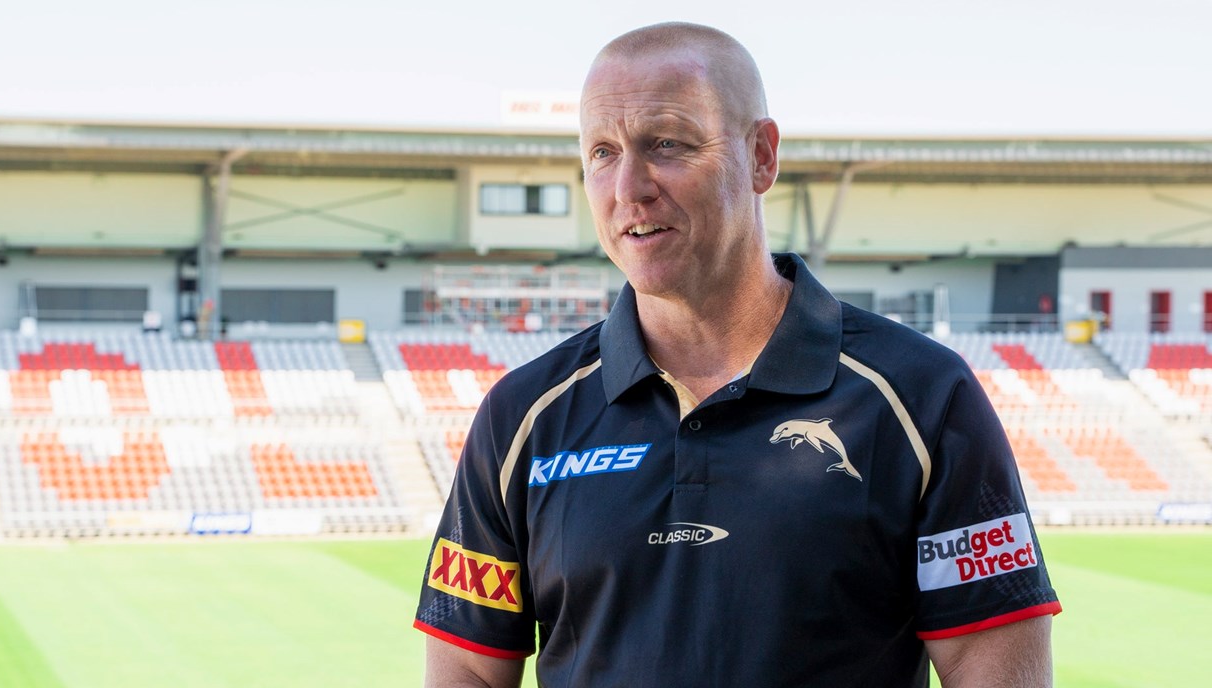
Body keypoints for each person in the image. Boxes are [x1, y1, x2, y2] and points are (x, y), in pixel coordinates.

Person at [415, 22, 1061, 687]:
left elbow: (996, 669)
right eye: (602, 152)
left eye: (666, 143)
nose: (629, 187)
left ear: (761, 156)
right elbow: (469, 666)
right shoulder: (522, 415)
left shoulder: (923, 397)